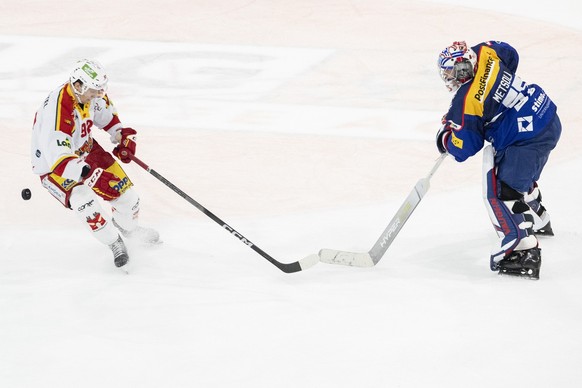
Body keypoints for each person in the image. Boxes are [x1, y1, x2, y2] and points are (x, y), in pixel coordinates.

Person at [435, 41, 561, 279]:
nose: (454, 77)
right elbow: (511, 54)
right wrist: (495, 90)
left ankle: (522, 251)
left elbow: (464, 147)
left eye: (455, 71)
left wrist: (446, 137)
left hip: (527, 137)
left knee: (503, 191)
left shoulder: (467, 99)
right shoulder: (486, 51)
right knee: (517, 173)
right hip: (548, 116)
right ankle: (538, 217)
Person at [31, 59, 159, 270]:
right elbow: (57, 158)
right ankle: (114, 242)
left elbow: (105, 115)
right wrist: (81, 171)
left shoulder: (88, 92)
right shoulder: (57, 111)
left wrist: (121, 136)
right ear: (78, 84)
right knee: (84, 200)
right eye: (94, 91)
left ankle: (129, 229)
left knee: (129, 198)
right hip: (54, 166)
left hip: (86, 149)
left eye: (100, 90)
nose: (98, 95)